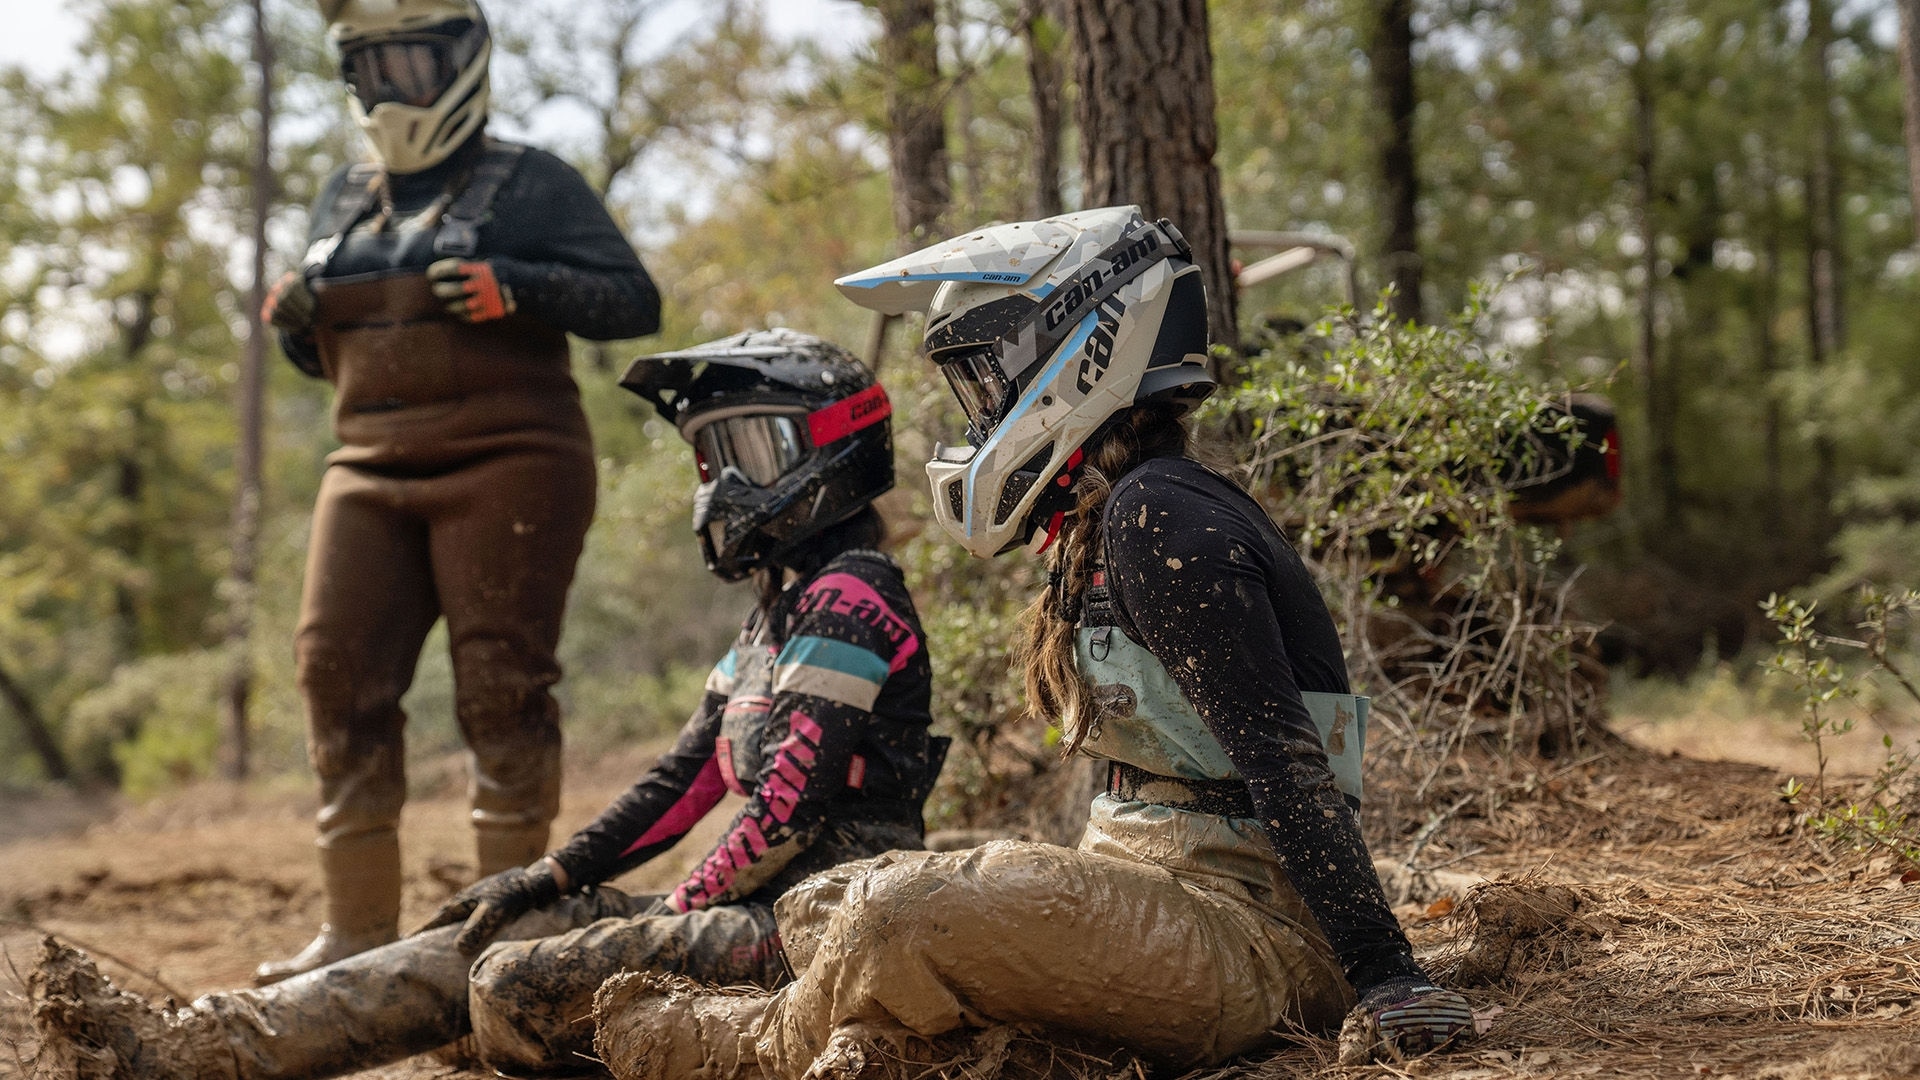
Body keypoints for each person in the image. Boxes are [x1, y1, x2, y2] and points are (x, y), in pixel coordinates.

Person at [592, 208, 1475, 1080]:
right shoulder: (1118, 515)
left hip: (1256, 933)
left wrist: (1386, 974)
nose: (980, 420)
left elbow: (1284, 758)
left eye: (986, 384)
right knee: (825, 904)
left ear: (1079, 350)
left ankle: (725, 1048)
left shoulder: (1156, 512)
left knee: (893, 908)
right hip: (1173, 897)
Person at [29, 330, 944, 1080]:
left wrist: (662, 914)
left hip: (816, 927)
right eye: (711, 457)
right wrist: (543, 879)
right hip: (743, 912)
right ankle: (191, 1045)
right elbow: (679, 786)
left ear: (832, 445)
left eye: (747, 449)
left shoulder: (850, 595)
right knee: (495, 932)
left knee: (510, 983)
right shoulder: (775, 615)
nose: (722, 485)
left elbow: (787, 813)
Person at [251, 0, 662, 984]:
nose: (397, 86)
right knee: (333, 675)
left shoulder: (532, 182)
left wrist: (514, 283)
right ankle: (356, 933)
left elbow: (634, 301)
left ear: (462, 62)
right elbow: (325, 360)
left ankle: (509, 930)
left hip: (512, 460)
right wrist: (295, 323)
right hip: (365, 469)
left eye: (414, 63)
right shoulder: (340, 198)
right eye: (376, 68)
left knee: (500, 685)